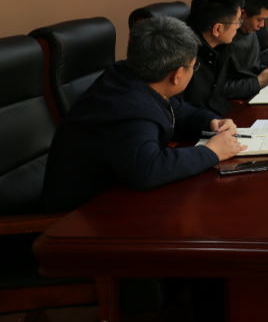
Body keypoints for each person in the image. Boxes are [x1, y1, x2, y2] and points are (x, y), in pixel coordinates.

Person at [42, 16, 244, 212]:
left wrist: (211, 122)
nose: (194, 70)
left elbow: (180, 111)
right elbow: (147, 169)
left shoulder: (128, 76)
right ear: (177, 75)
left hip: (115, 193)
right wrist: (211, 152)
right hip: (83, 215)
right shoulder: (132, 110)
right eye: (194, 66)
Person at [181, 0, 245, 116]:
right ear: (217, 29)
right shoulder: (181, 55)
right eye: (237, 21)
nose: (239, 26)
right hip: (201, 124)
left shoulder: (219, 47)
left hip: (225, 118)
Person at [224, 0, 268, 100]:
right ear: (242, 13)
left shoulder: (250, 29)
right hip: (241, 100)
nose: (262, 25)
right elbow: (221, 89)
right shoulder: (225, 39)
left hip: (258, 92)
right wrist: (258, 82)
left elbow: (250, 70)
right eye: (259, 19)